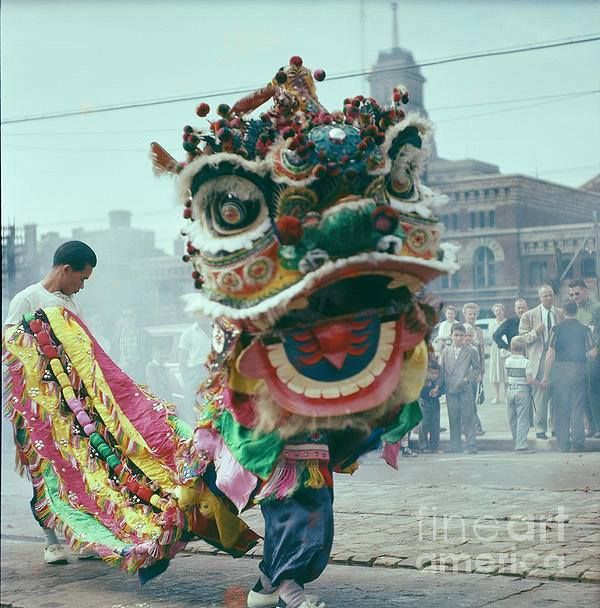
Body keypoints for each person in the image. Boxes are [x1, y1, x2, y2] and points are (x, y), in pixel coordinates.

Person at [3, 240, 97, 565]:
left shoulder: (73, 306)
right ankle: (50, 539)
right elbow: (10, 344)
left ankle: (82, 536)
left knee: (78, 470)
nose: (82, 286)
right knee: (45, 470)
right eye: (81, 279)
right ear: (66, 269)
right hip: (36, 405)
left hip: (71, 404)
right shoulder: (27, 298)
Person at [542, 301, 597, 452]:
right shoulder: (585, 329)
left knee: (561, 407)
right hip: (579, 369)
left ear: (563, 311)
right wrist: (581, 353)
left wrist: (546, 376)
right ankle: (578, 443)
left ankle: (564, 444)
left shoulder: (556, 329)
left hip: (561, 370)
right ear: (577, 311)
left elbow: (550, 353)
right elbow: (593, 353)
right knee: (577, 406)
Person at [518, 284, 564, 441]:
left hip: (557, 357)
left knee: (557, 393)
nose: (549, 298)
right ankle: (540, 428)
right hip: (539, 356)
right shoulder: (529, 315)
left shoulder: (559, 313)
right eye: (545, 296)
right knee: (541, 394)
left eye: (551, 295)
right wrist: (536, 332)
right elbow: (521, 339)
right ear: (539, 298)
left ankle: (556, 427)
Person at [439, 323, 481, 454]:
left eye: (461, 335)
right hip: (451, 389)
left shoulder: (471, 350)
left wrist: (468, 378)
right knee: (453, 417)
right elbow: (441, 371)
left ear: (465, 336)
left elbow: (477, 369)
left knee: (468, 417)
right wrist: (437, 387)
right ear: (451, 335)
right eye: (456, 335)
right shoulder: (446, 351)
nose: (459, 338)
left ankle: (471, 445)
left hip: (465, 389)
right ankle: (455, 446)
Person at [568, 279, 600, 438]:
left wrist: (596, 350)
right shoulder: (574, 311)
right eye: (571, 294)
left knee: (594, 391)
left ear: (586, 291)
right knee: (584, 392)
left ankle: (599, 427)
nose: (574, 296)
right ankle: (592, 427)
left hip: (595, 357)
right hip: (579, 359)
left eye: (577, 293)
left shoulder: (597, 308)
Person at [504, 337, 537, 453]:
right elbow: (529, 380)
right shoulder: (526, 362)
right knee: (523, 419)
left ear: (512, 348)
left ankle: (516, 442)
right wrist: (539, 384)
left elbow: (506, 376)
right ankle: (521, 445)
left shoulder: (507, 361)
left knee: (513, 420)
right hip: (522, 391)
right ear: (525, 349)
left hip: (510, 390)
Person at [177, 318, 212, 426]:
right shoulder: (188, 334)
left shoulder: (217, 330)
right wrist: (187, 378)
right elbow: (182, 360)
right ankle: (193, 433)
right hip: (194, 372)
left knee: (213, 404)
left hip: (213, 371)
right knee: (192, 406)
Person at [112, 308, 152, 384]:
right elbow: (113, 357)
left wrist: (140, 366)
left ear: (135, 317)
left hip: (140, 374)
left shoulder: (144, 334)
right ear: (121, 318)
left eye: (131, 316)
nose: (128, 318)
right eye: (125, 316)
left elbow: (149, 354)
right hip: (123, 374)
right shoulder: (117, 337)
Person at [419, 360, 444, 453]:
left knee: (435, 425)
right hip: (424, 403)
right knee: (423, 425)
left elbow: (443, 389)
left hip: (435, 403)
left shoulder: (438, 382)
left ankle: (434, 446)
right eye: (432, 373)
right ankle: (423, 445)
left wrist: (438, 393)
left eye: (436, 373)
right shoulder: (422, 380)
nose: (434, 375)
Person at [464, 325, 484, 435]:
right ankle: (466, 426)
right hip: (462, 380)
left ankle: (477, 426)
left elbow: (477, 365)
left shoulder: (473, 349)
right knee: (465, 404)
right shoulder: (459, 349)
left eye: (470, 336)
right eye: (465, 335)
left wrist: (479, 374)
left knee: (471, 404)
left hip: (471, 380)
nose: (467, 338)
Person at [488, 303, 507, 404]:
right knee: (495, 371)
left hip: (505, 347)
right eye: (496, 311)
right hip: (495, 348)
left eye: (500, 310)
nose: (498, 312)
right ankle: (497, 396)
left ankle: (506, 396)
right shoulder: (492, 323)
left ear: (503, 311)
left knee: (505, 370)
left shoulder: (506, 322)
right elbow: (492, 336)